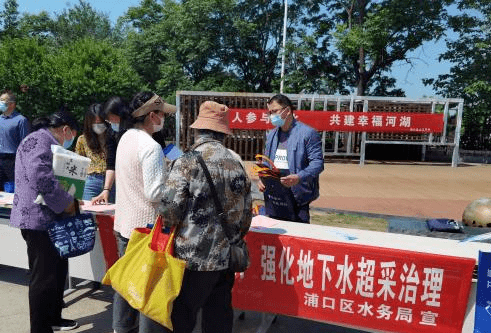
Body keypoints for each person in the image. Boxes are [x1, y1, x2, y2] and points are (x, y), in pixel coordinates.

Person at [159, 101, 252, 333]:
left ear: (198, 130)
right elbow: (246, 215)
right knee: (218, 317)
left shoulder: (186, 162)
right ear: (223, 133)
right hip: (226, 258)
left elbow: (169, 211)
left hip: (192, 259)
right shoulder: (237, 164)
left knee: (183, 316)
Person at [9, 109, 80, 332]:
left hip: (48, 218)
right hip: (38, 220)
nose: (71, 140)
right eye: (72, 135)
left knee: (57, 271)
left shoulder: (44, 140)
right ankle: (40, 327)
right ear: (66, 129)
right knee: (43, 277)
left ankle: (53, 318)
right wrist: (67, 202)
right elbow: (41, 177)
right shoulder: (40, 140)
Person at [112, 91, 176, 333]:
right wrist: (173, 181)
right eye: (162, 114)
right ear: (152, 115)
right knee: (148, 290)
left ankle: (120, 328)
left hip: (125, 223)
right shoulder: (151, 147)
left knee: (125, 282)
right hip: (146, 229)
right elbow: (154, 193)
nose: (164, 119)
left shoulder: (126, 138)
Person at [257, 94, 324, 223]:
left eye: (275, 111)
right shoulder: (272, 135)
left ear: (287, 111)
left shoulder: (308, 133)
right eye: (270, 112)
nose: (272, 115)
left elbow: (317, 163)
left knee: (298, 237)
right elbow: (267, 162)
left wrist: (299, 177)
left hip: (298, 196)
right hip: (275, 196)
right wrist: (263, 180)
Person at [90, 96, 130, 205]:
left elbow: (164, 148)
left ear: (121, 114)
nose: (110, 121)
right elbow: (111, 163)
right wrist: (106, 189)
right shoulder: (111, 133)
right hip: (124, 183)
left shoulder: (139, 128)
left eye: (111, 117)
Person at [75, 104, 115, 202]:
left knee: (112, 214)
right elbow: (78, 164)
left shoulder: (113, 137)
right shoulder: (82, 139)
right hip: (91, 181)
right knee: (88, 213)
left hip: (112, 182)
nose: (98, 125)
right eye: (94, 123)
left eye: (100, 122)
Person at [0, 91, 30, 191]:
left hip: (12, 159)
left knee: (10, 189)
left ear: (12, 104)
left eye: (3, 101)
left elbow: (25, 144)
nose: (0, 103)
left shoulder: (21, 120)